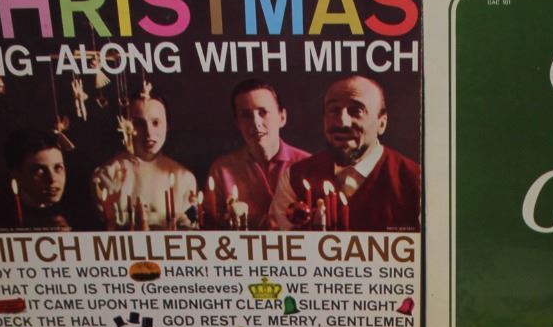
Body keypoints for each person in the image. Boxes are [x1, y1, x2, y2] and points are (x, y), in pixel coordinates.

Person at [268, 74, 420, 230]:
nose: (342, 122)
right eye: (334, 110)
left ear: (381, 123)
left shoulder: (417, 182)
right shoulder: (295, 178)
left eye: (356, 111)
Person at [206, 79, 309, 229]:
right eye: (246, 115)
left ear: (282, 117)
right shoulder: (221, 170)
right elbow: (211, 227)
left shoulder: (307, 164)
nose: (256, 122)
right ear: (238, 123)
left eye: (263, 112)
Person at [92, 86, 196, 228]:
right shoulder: (107, 174)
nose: (149, 132)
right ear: (126, 126)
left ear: (167, 125)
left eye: (156, 122)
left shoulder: (184, 178)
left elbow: (190, 225)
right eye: (139, 124)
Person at [4, 129, 72, 229]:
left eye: (58, 168)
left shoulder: (76, 209)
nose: (52, 179)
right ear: (17, 174)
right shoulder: (3, 215)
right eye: (40, 170)